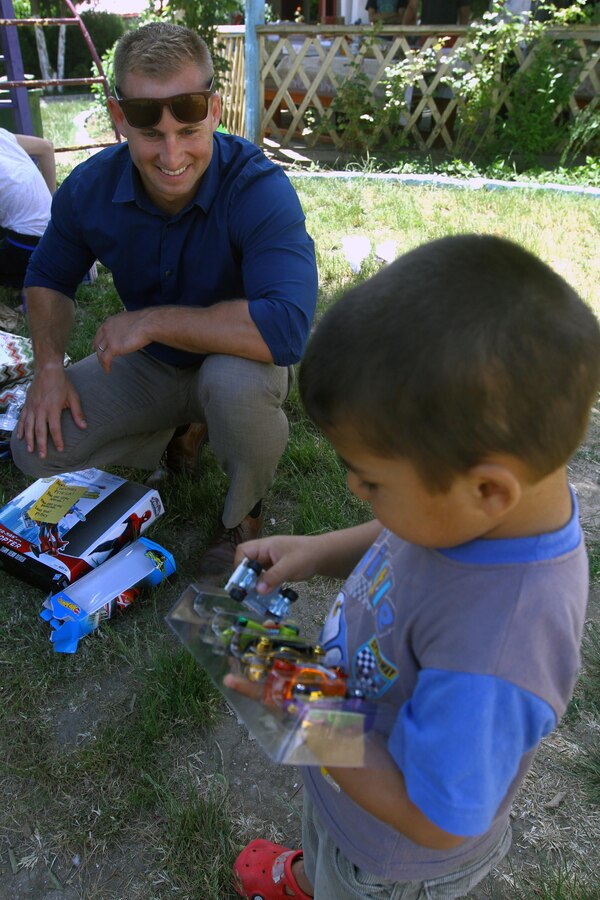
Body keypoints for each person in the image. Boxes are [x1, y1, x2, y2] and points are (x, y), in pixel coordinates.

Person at [229, 234, 600, 899]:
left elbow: (438, 820)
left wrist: (310, 711)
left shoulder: (495, 650)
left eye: (371, 481)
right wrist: (320, 550)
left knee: (349, 874)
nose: (355, 490)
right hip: (350, 775)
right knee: (327, 844)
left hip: (390, 857)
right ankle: (314, 875)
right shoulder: (489, 502)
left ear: (488, 489)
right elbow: (408, 534)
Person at [11, 22, 318, 580]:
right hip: (151, 367)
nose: (171, 153)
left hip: (238, 363)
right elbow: (47, 276)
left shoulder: (258, 185)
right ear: (118, 117)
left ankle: (243, 518)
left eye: (189, 126)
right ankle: (181, 430)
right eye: (150, 131)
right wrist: (49, 368)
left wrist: (153, 320)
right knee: (36, 450)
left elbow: (287, 330)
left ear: (217, 110)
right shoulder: (90, 187)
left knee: (233, 388)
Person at [0, 128, 55, 290]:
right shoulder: (3, 135)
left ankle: (27, 284)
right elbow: (46, 147)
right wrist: (52, 202)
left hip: (29, 248)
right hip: (57, 236)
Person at [403, 0, 470, 25]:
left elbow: (412, 6)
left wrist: (402, 31)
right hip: (450, 34)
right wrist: (461, 34)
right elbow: (464, 12)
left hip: (427, 34)